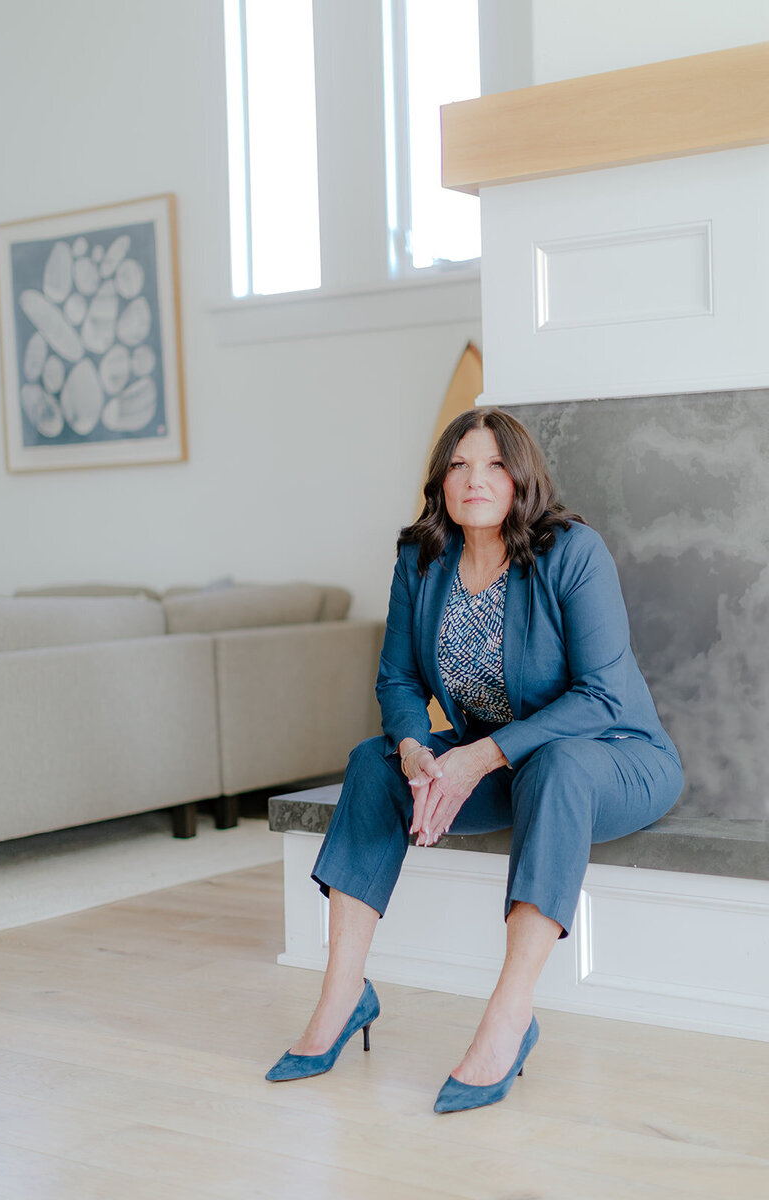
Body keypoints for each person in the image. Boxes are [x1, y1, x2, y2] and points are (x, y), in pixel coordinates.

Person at [265, 407, 683, 1113]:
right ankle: (344, 993)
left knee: (557, 767)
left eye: (493, 464)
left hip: (617, 760)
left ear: (522, 478)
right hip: (505, 768)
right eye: (458, 465)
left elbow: (603, 697)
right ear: (441, 482)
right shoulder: (420, 560)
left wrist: (478, 756)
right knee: (373, 762)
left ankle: (510, 1015)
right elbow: (397, 680)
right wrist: (416, 751)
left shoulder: (573, 553)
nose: (475, 480)